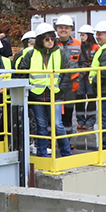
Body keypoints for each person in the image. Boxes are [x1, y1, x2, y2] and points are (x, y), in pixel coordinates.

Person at [21, 23, 71, 158]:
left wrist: (61, 89)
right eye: (47, 39)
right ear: (40, 40)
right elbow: (22, 72)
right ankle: (42, 154)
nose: (50, 42)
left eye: (52, 39)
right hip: (37, 95)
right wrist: (29, 91)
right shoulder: (31, 54)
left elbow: (67, 73)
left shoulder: (60, 53)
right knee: (41, 126)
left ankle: (66, 153)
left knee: (57, 125)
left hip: (54, 94)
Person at [53, 16, 82, 132]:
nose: (63, 30)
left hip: (71, 85)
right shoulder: (51, 43)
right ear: (57, 29)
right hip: (55, 84)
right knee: (54, 114)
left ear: (71, 29)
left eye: (66, 28)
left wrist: (78, 79)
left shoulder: (79, 44)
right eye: (61, 27)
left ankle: (67, 140)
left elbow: (84, 63)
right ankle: (52, 141)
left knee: (68, 114)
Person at [75, 25, 99, 131]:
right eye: (80, 35)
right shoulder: (79, 46)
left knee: (91, 99)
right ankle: (80, 121)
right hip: (81, 76)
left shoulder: (96, 48)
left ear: (89, 36)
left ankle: (90, 122)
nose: (81, 37)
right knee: (79, 99)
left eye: (83, 35)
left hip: (90, 77)